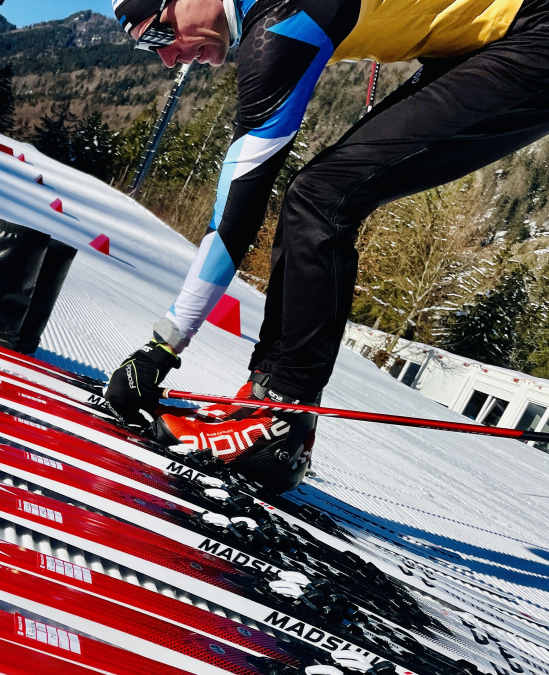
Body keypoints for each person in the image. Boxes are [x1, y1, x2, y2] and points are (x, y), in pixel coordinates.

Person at [103, 0, 549, 491]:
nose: (168, 58)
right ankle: (270, 403)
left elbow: (237, 210)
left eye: (157, 36)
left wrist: (162, 345)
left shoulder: (283, 20)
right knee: (317, 195)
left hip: (532, 32)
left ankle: (280, 417)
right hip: (485, 38)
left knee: (321, 197)